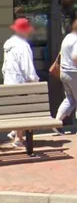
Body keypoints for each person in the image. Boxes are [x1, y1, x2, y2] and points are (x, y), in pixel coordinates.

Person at [2, 18, 39, 147]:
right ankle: (18, 138)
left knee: (16, 109)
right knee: (24, 110)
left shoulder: (9, 43)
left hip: (9, 82)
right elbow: (28, 68)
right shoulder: (23, 46)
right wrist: (35, 81)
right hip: (20, 83)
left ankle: (14, 132)